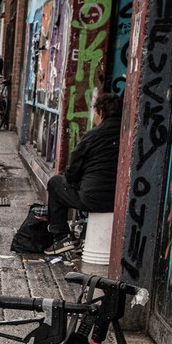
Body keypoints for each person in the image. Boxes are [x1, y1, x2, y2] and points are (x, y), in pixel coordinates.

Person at [44, 92, 123, 255]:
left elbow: (72, 170)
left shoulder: (92, 136)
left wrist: (74, 183)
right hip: (120, 200)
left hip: (93, 200)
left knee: (55, 183)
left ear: (100, 113)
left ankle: (61, 237)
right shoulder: (127, 134)